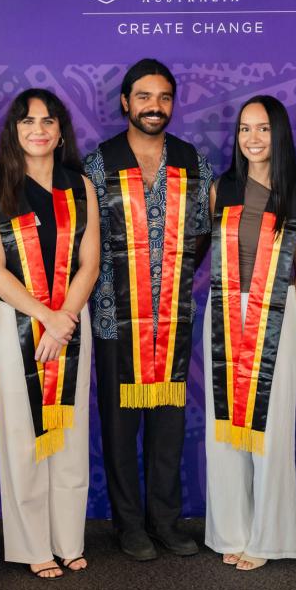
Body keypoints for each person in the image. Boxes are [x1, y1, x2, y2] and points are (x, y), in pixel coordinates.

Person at [83, 58, 213, 560]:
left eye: (163, 98)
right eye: (143, 97)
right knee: (120, 425)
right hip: (116, 316)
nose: (154, 107)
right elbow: (86, 240)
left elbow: (200, 234)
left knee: (168, 425)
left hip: (173, 317)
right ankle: (129, 523)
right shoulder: (100, 163)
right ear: (125, 102)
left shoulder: (191, 161)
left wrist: (168, 281)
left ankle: (165, 519)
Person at [0, 89, 99, 578]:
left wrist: (65, 317)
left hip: (73, 321)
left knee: (70, 432)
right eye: (28, 122)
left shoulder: (81, 186)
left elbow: (89, 263)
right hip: (18, 323)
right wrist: (45, 317)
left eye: (48, 121)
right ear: (14, 130)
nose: (39, 130)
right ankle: (32, 545)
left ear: (61, 129)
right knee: (25, 437)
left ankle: (68, 540)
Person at [203, 96, 296, 571]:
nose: (253, 139)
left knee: (269, 431)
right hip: (226, 312)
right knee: (226, 427)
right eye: (245, 129)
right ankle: (231, 529)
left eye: (264, 129)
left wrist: (286, 321)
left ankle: (267, 537)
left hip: (276, 314)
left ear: (280, 134)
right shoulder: (221, 189)